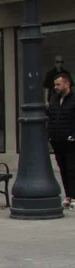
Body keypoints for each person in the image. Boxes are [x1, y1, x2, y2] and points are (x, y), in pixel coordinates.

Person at [47, 72, 75, 209]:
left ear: (67, 84)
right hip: (57, 141)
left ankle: (74, 199)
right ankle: (68, 196)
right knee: (63, 170)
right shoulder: (54, 99)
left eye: (58, 84)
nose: (55, 87)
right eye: (55, 84)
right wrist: (50, 135)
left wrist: (73, 135)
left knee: (72, 169)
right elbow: (50, 118)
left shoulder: (74, 99)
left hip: (71, 142)